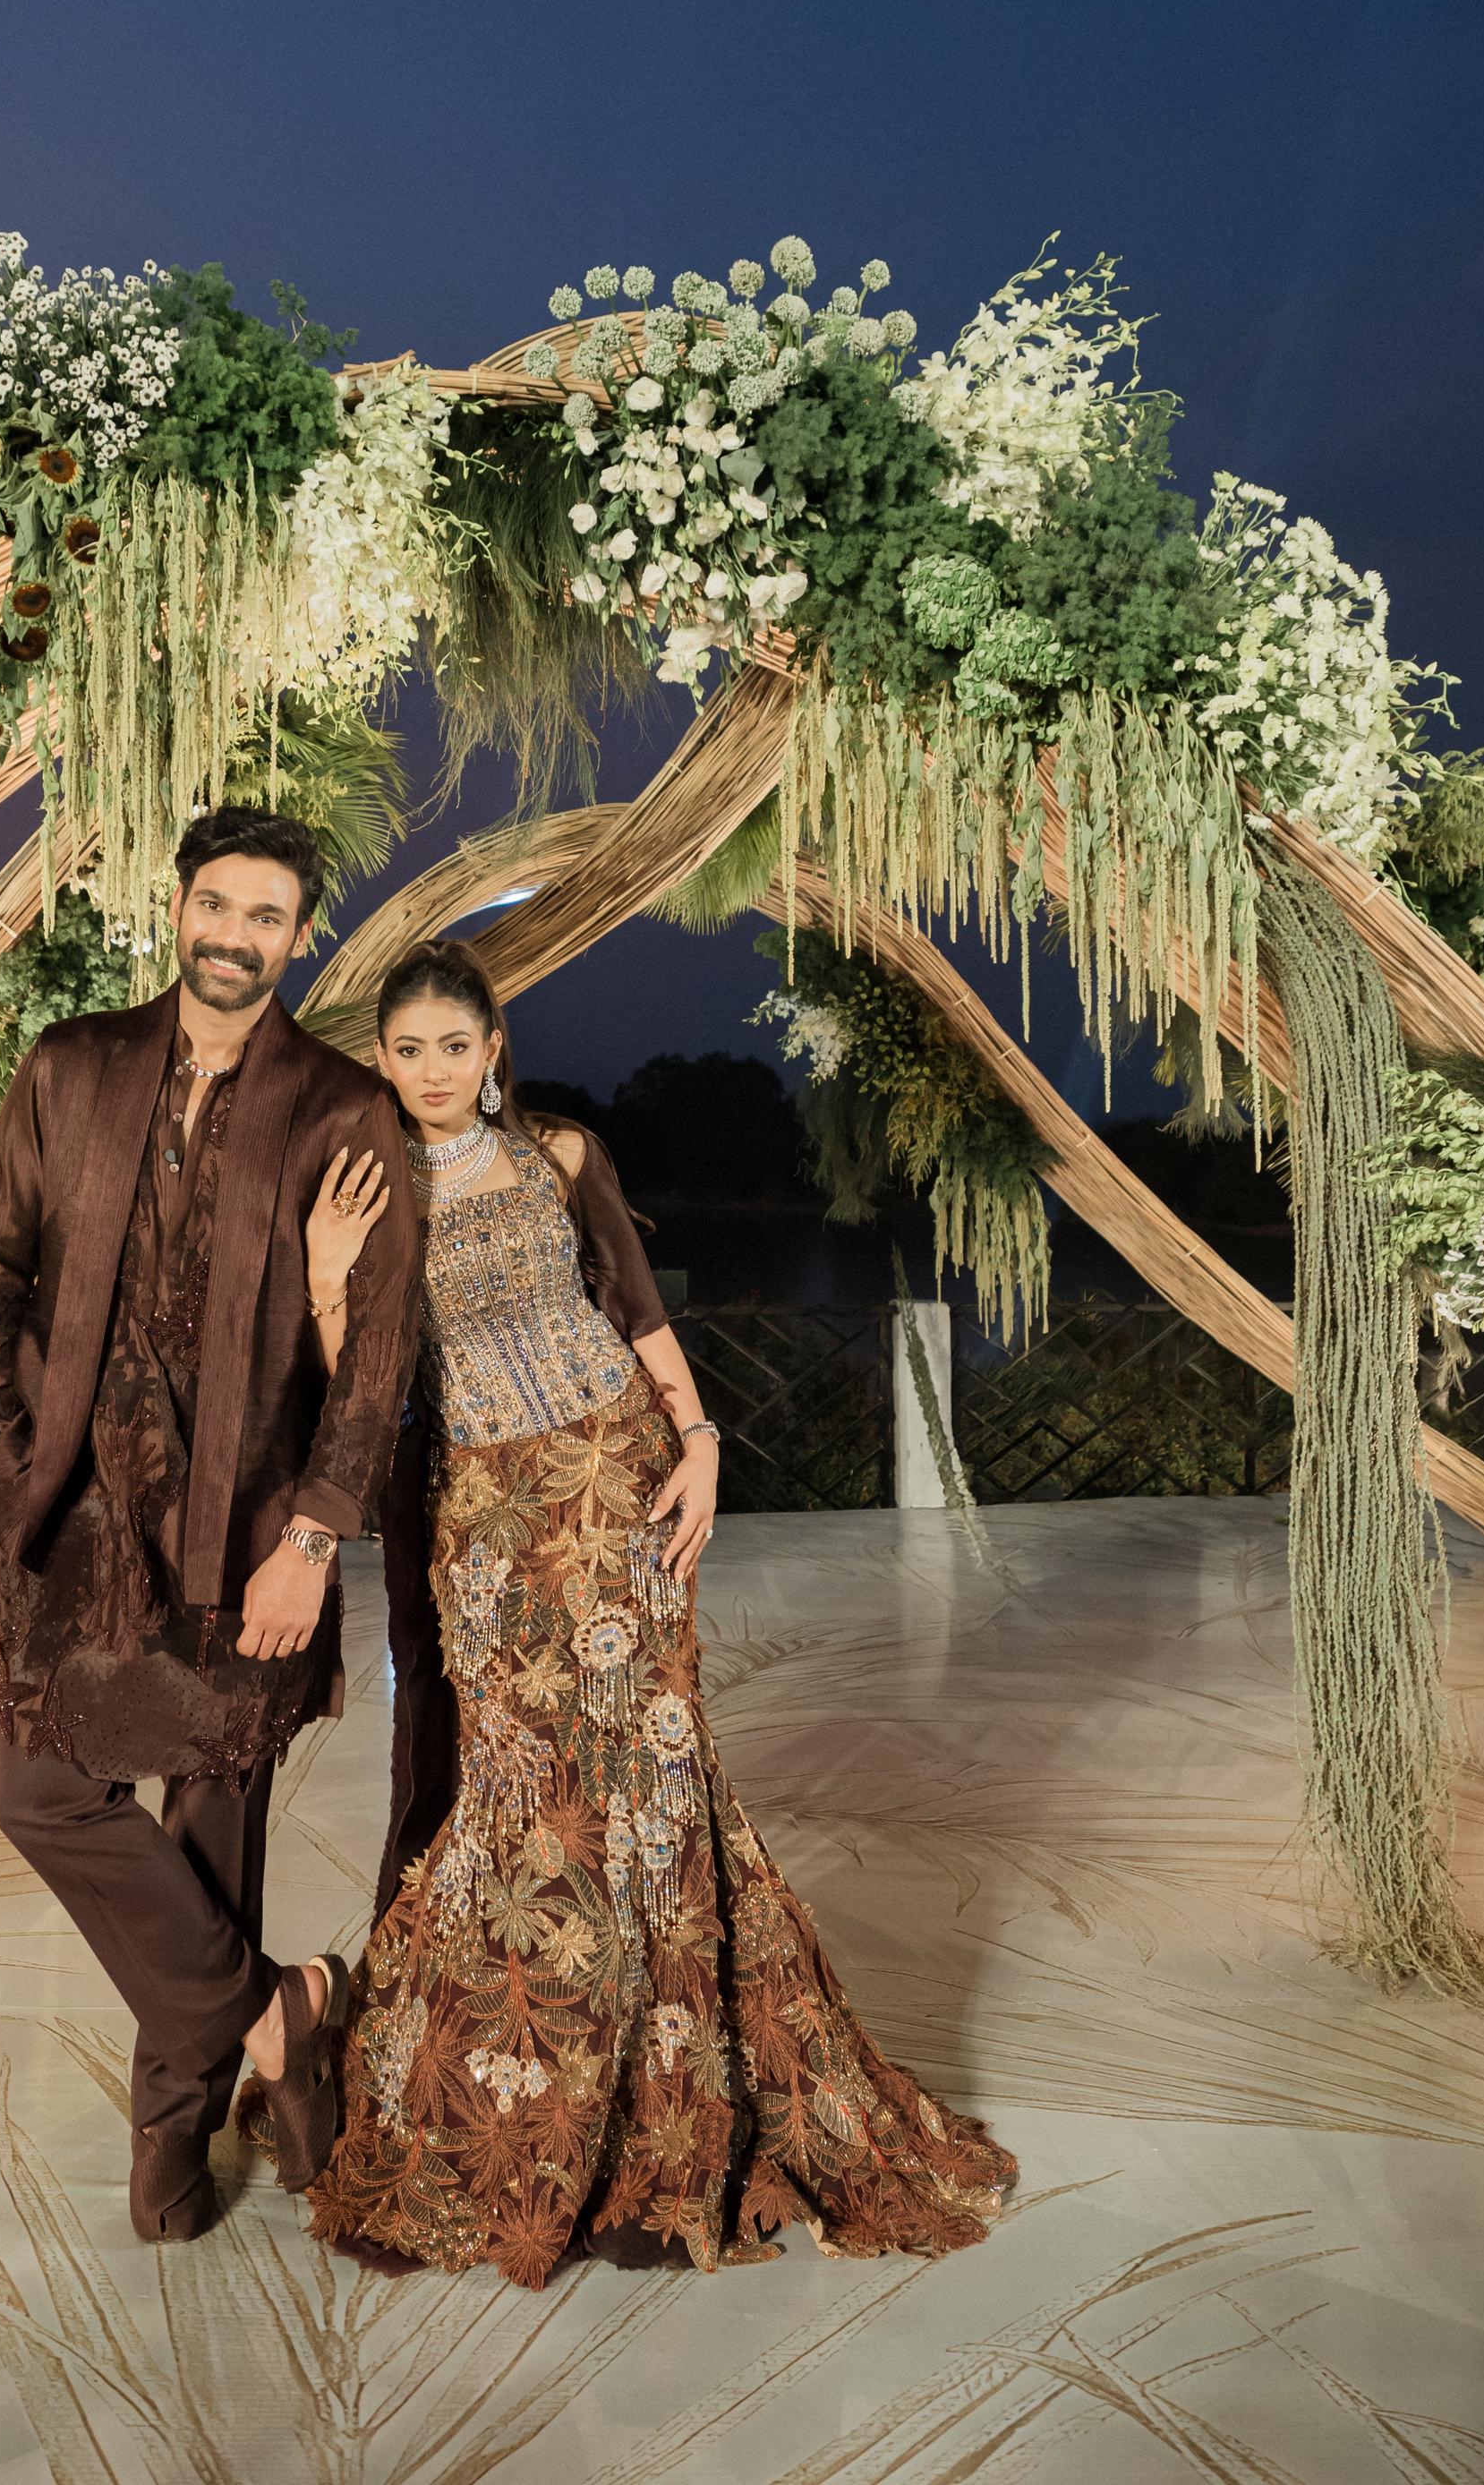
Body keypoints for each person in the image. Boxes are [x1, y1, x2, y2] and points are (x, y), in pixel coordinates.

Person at [289, 939, 1017, 2286]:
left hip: (618, 1482)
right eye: (409, 1050)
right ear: (380, 1062)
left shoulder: (562, 1155)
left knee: (652, 1783)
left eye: (456, 1046)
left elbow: (632, 1308)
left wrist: (700, 1439)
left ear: (493, 1050)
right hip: (486, 1514)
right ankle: (511, 2118)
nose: (434, 1071)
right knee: (522, 1792)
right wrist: (329, 1273)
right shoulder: (367, 1189)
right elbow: (363, 1397)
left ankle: (666, 2128)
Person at [0, 806, 418, 2246]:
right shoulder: (71, 1065)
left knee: (213, 1816)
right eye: (216, 905)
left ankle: (170, 2133)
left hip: (250, 1522)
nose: (234, 936)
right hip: (74, 1509)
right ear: (176, 908)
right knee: (37, 1794)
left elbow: (379, 1350)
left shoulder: (343, 1107)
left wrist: (311, 1540)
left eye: (265, 915)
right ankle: (282, 2016)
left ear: (300, 936)